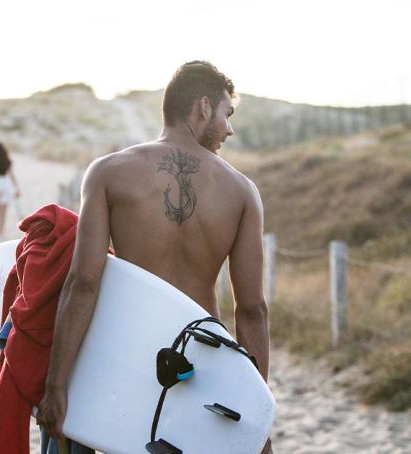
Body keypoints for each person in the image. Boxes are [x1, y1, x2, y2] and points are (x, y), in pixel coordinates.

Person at [36, 61, 274, 453]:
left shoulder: (108, 173)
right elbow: (252, 311)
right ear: (202, 107)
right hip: (198, 363)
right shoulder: (242, 192)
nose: (229, 129)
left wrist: (57, 387)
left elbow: (83, 283)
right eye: (226, 114)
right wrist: (254, 413)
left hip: (122, 355)